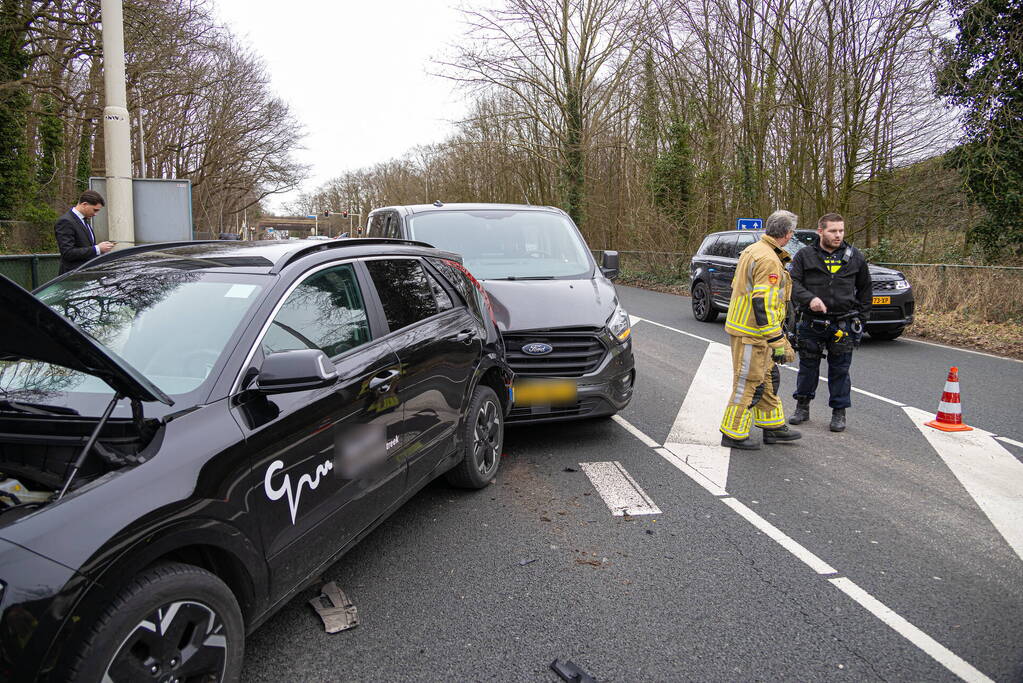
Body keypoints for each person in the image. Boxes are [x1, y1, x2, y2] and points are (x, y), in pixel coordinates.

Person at [719, 210, 801, 450]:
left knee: (766, 377)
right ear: (788, 234)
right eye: (792, 233)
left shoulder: (755, 250)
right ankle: (733, 433)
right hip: (753, 333)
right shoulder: (769, 259)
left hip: (753, 330)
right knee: (748, 382)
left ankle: (772, 426)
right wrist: (777, 339)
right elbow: (763, 302)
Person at [788, 213, 872, 432]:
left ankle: (839, 413)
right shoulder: (804, 256)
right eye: (833, 231)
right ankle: (802, 407)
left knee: (840, 371)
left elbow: (865, 290)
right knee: (807, 368)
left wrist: (861, 320)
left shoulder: (855, 256)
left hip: (842, 324)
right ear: (820, 231)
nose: (838, 235)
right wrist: (810, 299)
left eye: (841, 231)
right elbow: (793, 284)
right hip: (811, 323)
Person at [55, 190, 115, 274]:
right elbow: (68, 253)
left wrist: (99, 249)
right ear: (84, 204)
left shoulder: (84, 220)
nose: (95, 214)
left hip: (85, 275)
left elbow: (85, 246)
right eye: (95, 210)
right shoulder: (66, 221)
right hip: (73, 278)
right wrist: (97, 249)